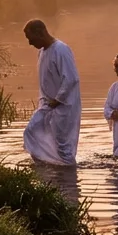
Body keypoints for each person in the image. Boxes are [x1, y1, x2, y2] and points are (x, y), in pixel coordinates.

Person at [20, 19, 81, 166]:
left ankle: (68, 177)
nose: (30, 43)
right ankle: (47, 165)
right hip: (47, 105)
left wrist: (58, 99)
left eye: (30, 38)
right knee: (32, 132)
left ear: (40, 33)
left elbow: (71, 78)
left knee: (63, 145)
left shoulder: (61, 49)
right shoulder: (42, 52)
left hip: (64, 106)